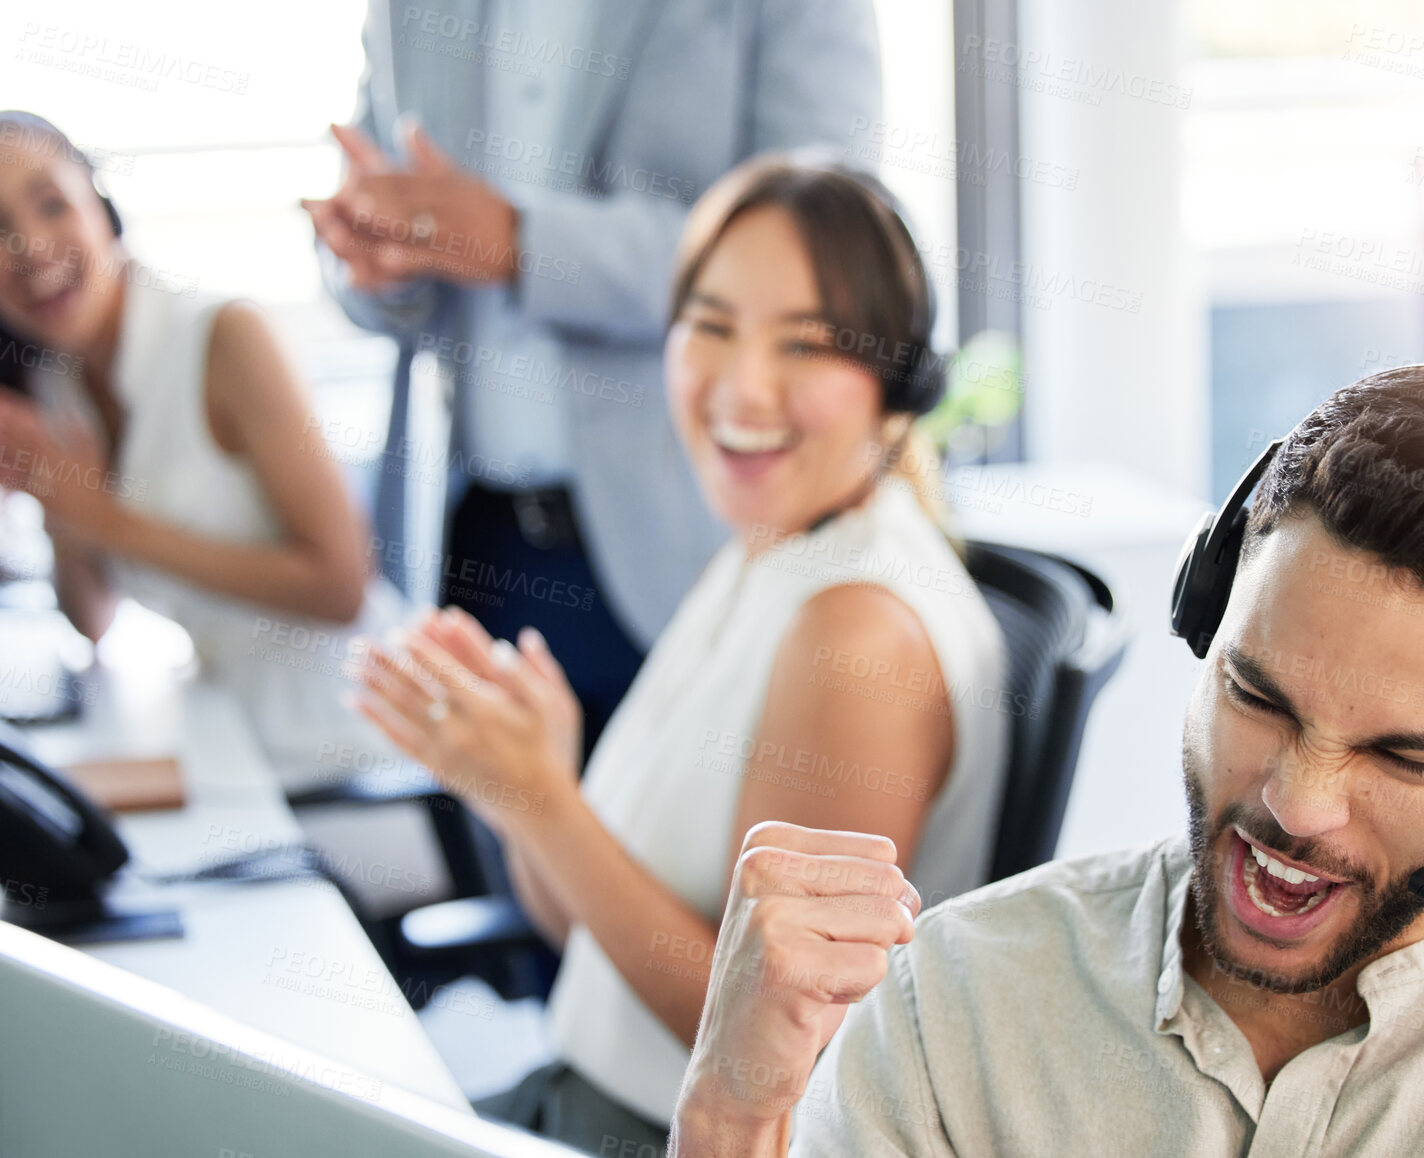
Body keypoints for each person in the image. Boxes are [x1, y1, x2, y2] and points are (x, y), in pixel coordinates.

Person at [669, 364, 1424, 1157]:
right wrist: (734, 1105)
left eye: (1401, 758)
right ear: (1203, 621)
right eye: (1256, 697)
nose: (1297, 804)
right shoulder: (955, 1005)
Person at [353, 157, 1010, 1153]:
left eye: (806, 343)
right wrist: (517, 783)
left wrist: (546, 801)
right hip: (580, 1100)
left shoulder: (856, 630)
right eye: (710, 326)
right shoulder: (768, 550)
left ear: (897, 384)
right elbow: (586, 935)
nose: (743, 386)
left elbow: (771, 1057)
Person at [306, 0, 883, 752]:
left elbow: (822, 243)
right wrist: (372, 258)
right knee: (511, 848)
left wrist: (523, 242)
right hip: (469, 539)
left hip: (682, 542)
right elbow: (378, 216)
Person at [0, 112, 403, 783]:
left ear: (100, 204)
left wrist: (107, 522)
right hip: (227, 744)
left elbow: (342, 588)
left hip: (352, 749)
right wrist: (64, 511)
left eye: (51, 204)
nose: (31, 246)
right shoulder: (55, 379)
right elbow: (92, 623)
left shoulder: (225, 336)